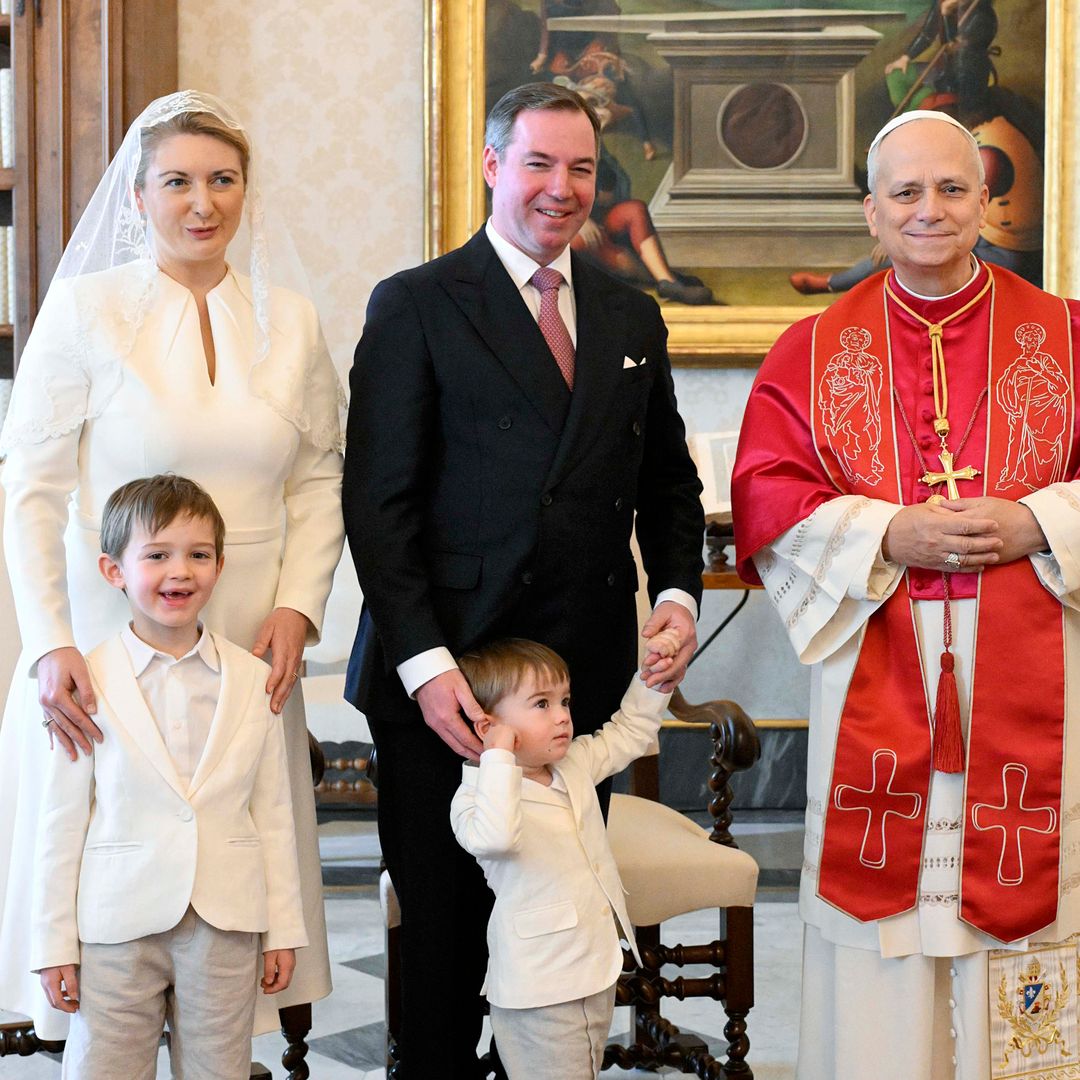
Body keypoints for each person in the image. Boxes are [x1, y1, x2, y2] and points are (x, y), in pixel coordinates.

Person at [344, 82, 705, 1078]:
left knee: (554, 938)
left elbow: (668, 484)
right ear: (495, 165)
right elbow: (379, 506)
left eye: (581, 168)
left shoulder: (631, 310)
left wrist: (675, 598)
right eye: (540, 163)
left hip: (573, 684)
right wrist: (425, 666)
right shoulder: (416, 302)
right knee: (447, 953)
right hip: (445, 685)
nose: (561, 188)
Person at [732, 109, 1080, 1080]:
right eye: (906, 193)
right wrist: (888, 529)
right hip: (877, 675)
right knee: (879, 947)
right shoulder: (810, 350)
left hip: (1038, 674)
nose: (931, 209)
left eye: (954, 188)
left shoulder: (1066, 334)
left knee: (1023, 922)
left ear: (987, 205)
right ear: (872, 216)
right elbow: (766, 492)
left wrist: (1038, 522)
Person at [0, 90, 344, 1043]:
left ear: (247, 191)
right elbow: (27, 487)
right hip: (109, 625)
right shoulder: (86, 310)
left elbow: (321, 479)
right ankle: (102, 1017)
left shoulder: (291, 321)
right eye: (179, 182)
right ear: (139, 196)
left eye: (223, 180)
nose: (203, 203)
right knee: (105, 825)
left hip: (249, 630)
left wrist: (301, 609)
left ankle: (220, 1027)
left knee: (244, 830)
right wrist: (49, 643)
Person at [32, 475, 307, 1079]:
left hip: (225, 921)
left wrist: (284, 927)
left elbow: (273, 813)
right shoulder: (86, 682)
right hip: (114, 924)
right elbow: (60, 824)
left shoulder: (250, 678)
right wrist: (53, 945)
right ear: (114, 570)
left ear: (220, 564)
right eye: (157, 555)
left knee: (219, 1070)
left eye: (198, 554)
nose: (179, 571)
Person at [450, 631, 679, 1080]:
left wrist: (654, 680)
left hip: (593, 971)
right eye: (541, 704)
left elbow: (628, 733)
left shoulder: (572, 763)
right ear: (487, 726)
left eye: (564, 702)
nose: (562, 718)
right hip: (538, 990)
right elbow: (497, 838)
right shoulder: (475, 798)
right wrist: (496, 757)